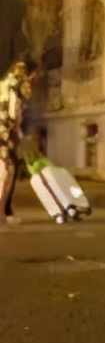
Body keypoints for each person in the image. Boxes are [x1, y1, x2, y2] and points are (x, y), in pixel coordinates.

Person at [0, 59, 40, 225]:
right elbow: (4, 111)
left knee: (11, 170)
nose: (33, 79)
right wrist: (4, 135)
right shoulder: (9, 87)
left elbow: (16, 117)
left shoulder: (15, 90)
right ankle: (7, 212)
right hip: (2, 133)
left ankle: (8, 212)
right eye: (32, 75)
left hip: (8, 133)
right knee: (5, 172)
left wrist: (19, 135)